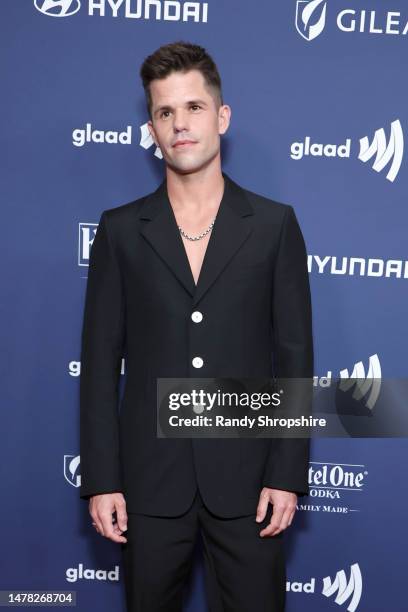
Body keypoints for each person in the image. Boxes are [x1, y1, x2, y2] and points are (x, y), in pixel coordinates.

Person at [79, 40, 314, 612]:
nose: (180, 125)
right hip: (148, 487)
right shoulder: (121, 231)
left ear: (221, 117)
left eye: (193, 108)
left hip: (250, 484)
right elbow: (99, 364)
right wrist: (103, 480)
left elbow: (295, 358)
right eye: (165, 112)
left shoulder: (274, 226)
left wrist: (286, 473)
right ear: (153, 129)